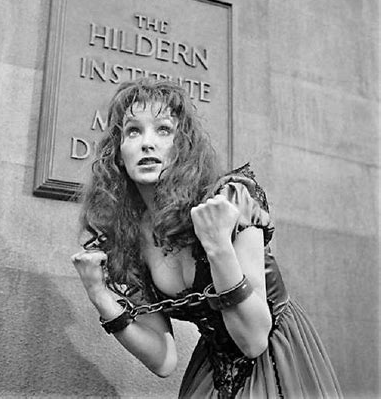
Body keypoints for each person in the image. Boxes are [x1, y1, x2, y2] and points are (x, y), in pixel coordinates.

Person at [71, 78, 343, 398]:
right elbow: (163, 360)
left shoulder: (230, 199)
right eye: (133, 131)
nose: (147, 143)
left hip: (276, 358)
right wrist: (100, 297)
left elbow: (254, 339)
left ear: (182, 147)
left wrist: (218, 245)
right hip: (213, 371)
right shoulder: (132, 239)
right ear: (118, 153)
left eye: (163, 130)